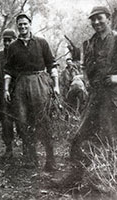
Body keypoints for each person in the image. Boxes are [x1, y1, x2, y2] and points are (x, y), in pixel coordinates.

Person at [58, 6, 117, 188]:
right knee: (80, 136)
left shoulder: (115, 39)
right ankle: (75, 177)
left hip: (112, 96)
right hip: (95, 96)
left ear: (108, 18)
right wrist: (84, 79)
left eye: (99, 18)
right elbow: (84, 67)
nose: (96, 22)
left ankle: (107, 179)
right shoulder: (90, 43)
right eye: (93, 19)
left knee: (109, 135)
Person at [4, 13, 59, 171]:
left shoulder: (41, 42)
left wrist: (56, 86)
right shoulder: (13, 46)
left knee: (43, 119)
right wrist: (6, 89)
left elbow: (52, 65)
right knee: (23, 121)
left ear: (30, 24)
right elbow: (8, 70)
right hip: (21, 85)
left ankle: (50, 159)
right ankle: (30, 159)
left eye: (25, 24)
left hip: (39, 83)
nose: (22, 27)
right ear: (17, 26)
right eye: (19, 24)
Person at [0, 29, 17, 158]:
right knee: (6, 121)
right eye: (5, 40)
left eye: (10, 40)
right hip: (4, 91)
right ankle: (9, 148)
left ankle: (26, 148)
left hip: (19, 92)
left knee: (22, 120)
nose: (7, 43)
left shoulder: (20, 54)